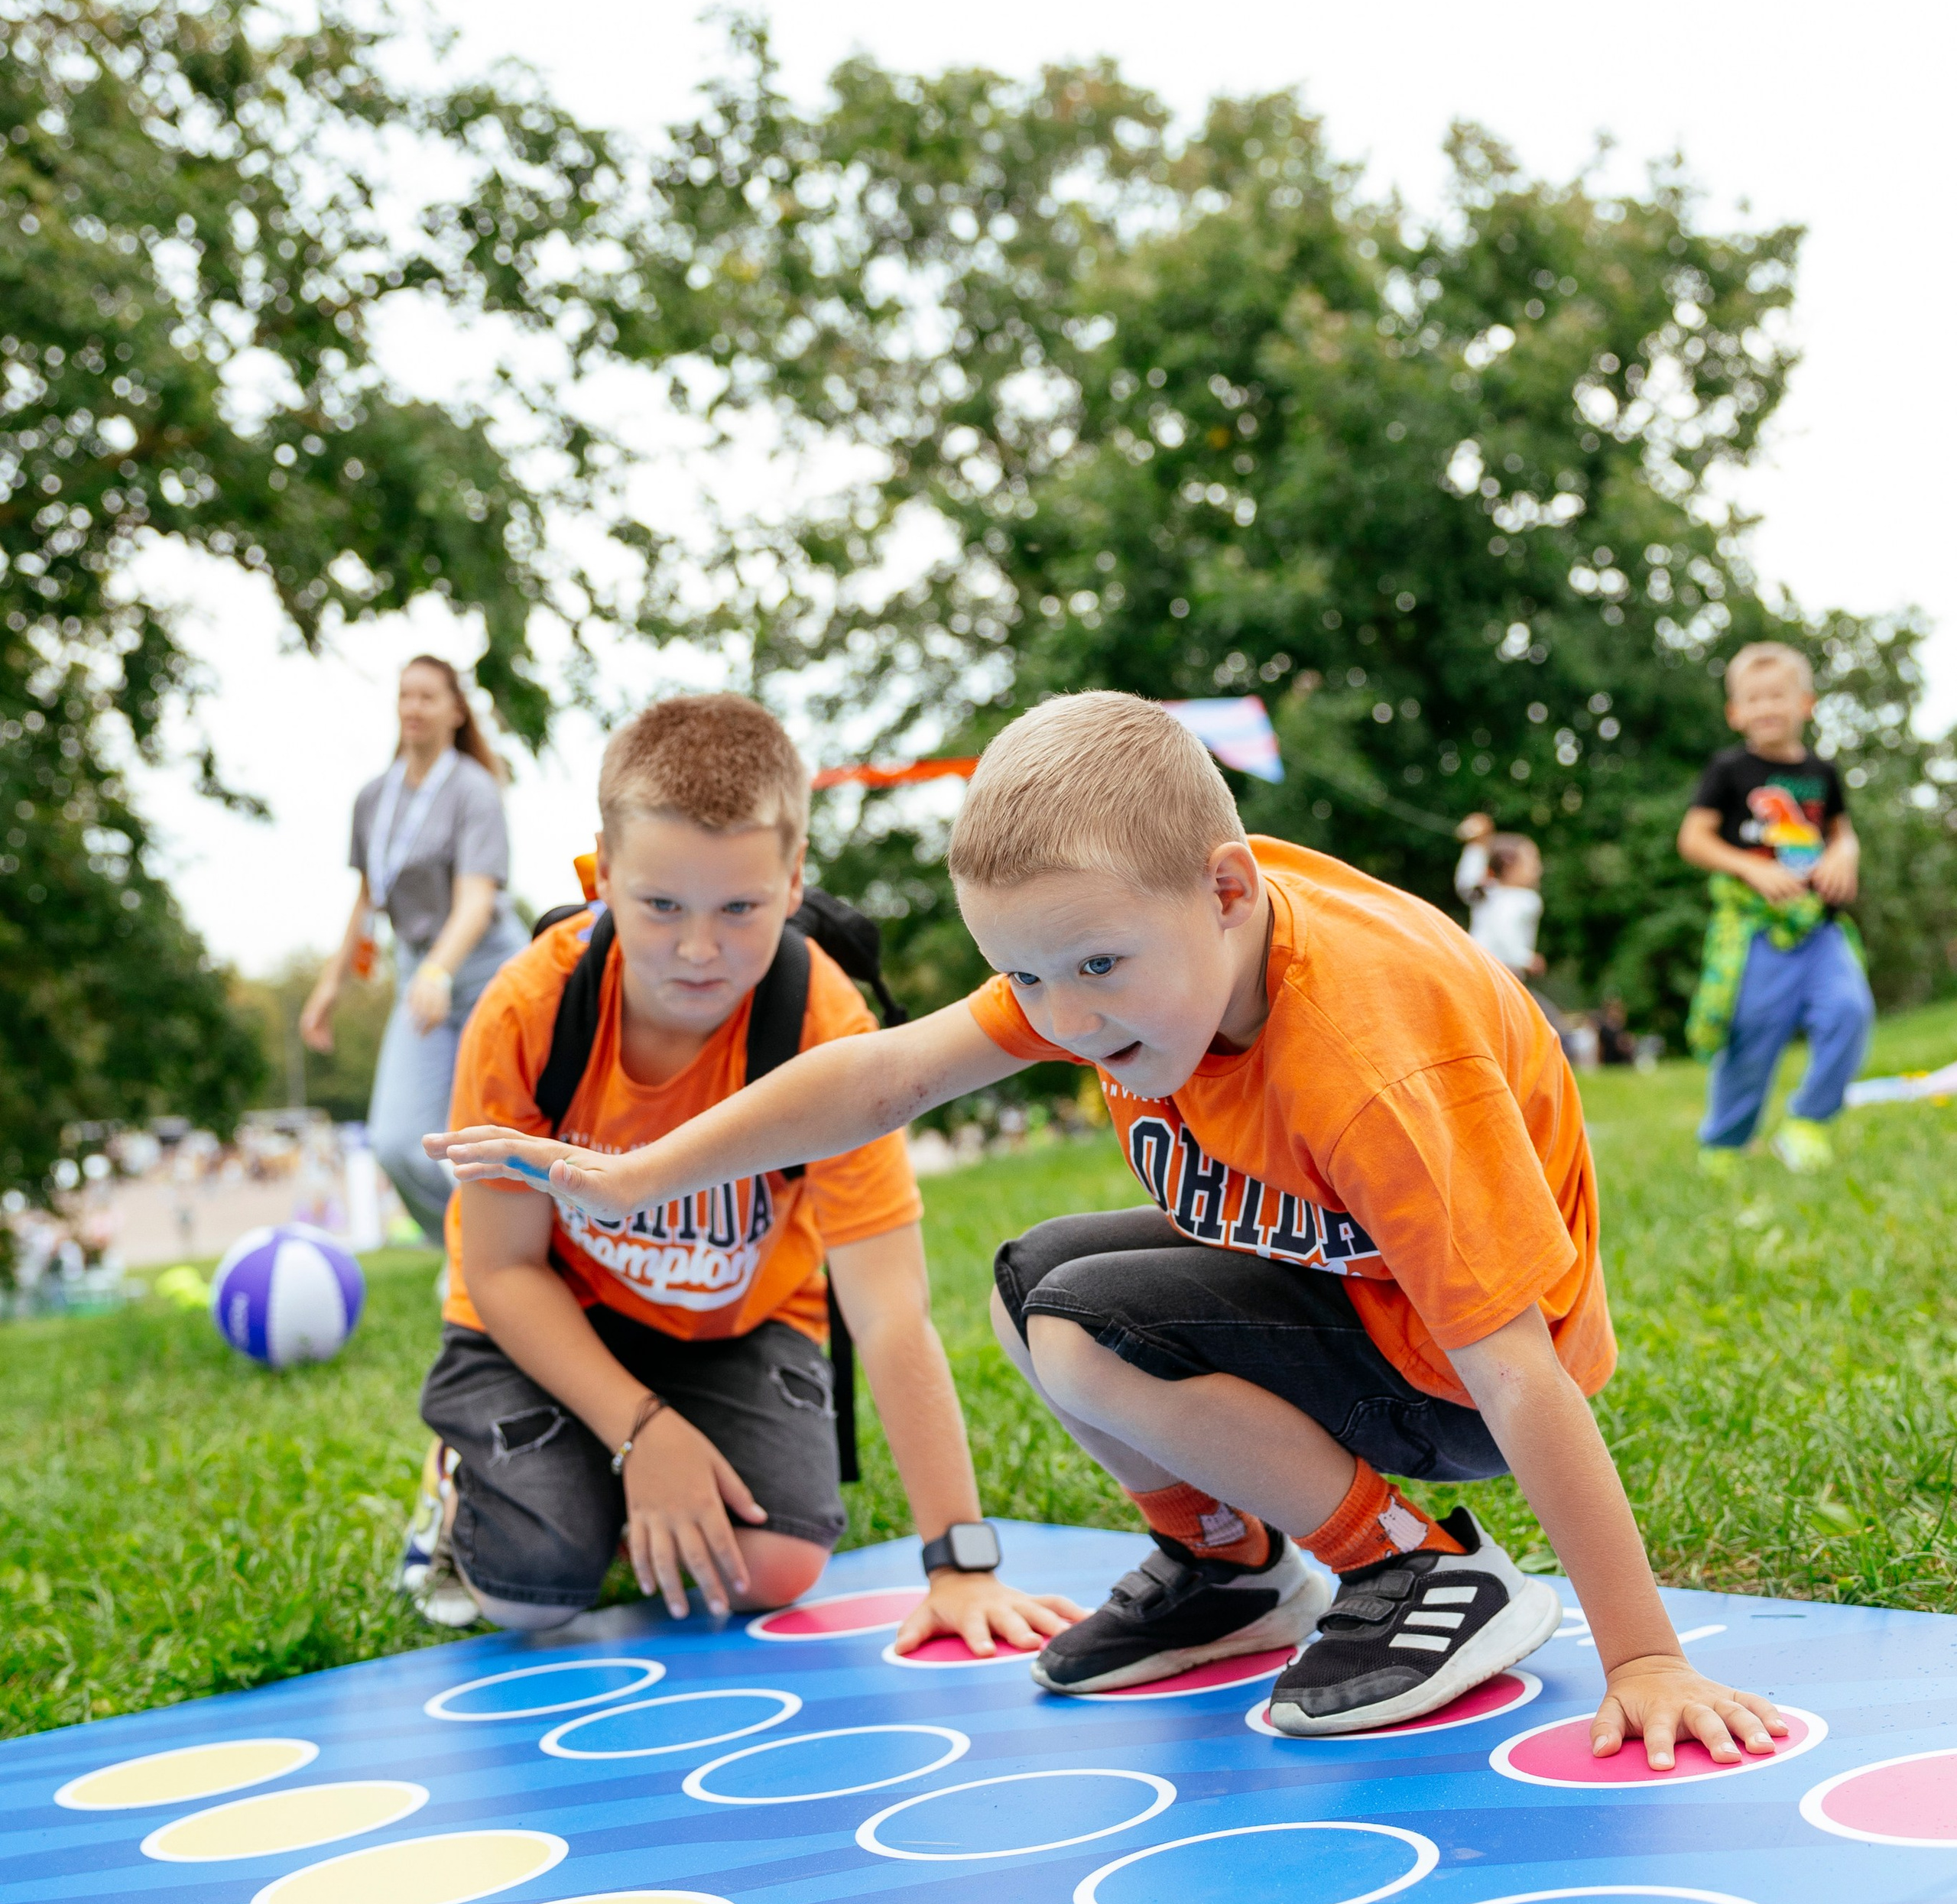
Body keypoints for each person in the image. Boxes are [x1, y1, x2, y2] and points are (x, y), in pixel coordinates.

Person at [433, 692, 1785, 1774]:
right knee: (1040, 1279)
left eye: (1089, 971)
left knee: (1092, 1332)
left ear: (1227, 891)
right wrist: (633, 1175)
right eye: (1022, 976)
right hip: (1351, 1297)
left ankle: (1421, 1572)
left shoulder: (1371, 1064)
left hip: (1455, 1383)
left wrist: (1643, 1657)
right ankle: (1231, 1572)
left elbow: (1519, 1370)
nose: (1064, 1019)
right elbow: (885, 1075)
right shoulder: (1123, 946)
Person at [407, 692, 1079, 1662]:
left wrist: (959, 1562)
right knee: (529, 1589)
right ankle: (474, 1478)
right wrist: (643, 1433)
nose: (697, 948)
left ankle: (598, 1484)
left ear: (795, 877)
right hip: (554, 1313)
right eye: (661, 905)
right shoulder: (530, 1010)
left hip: (735, 1330)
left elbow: (889, 1312)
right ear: (603, 869)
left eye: (739, 908)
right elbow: (503, 1270)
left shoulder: (823, 1027)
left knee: (773, 1568)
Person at [302, 656, 527, 1239]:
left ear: (456, 711)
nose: (413, 708)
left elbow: (476, 901)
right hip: (420, 975)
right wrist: (330, 986)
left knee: (497, 1136)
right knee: (398, 1143)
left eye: (428, 697)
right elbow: (365, 899)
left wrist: (438, 972)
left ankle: (522, 1257)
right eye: (405, 696)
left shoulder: (475, 789)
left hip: (488, 974)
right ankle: (460, 1246)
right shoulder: (374, 797)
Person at [1681, 641, 1872, 1174]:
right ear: (1734, 712)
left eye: (1777, 696)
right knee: (1751, 1037)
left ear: (1806, 704)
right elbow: (1693, 839)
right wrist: (1752, 867)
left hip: (1817, 927)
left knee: (1849, 1011)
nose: (1766, 708)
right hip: (1756, 931)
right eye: (1753, 699)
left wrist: (1845, 855)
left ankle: (1808, 1121)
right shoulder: (1729, 769)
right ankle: (1724, 1145)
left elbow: (1842, 832)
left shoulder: (1822, 771)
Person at [1453, 814, 1546, 978]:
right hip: (1498, 971)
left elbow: (1466, 883)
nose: (1538, 868)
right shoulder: (1519, 899)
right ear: (1509, 866)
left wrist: (1477, 845)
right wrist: (1525, 959)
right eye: (1531, 861)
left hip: (1482, 967)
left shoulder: (1496, 895)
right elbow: (1504, 931)